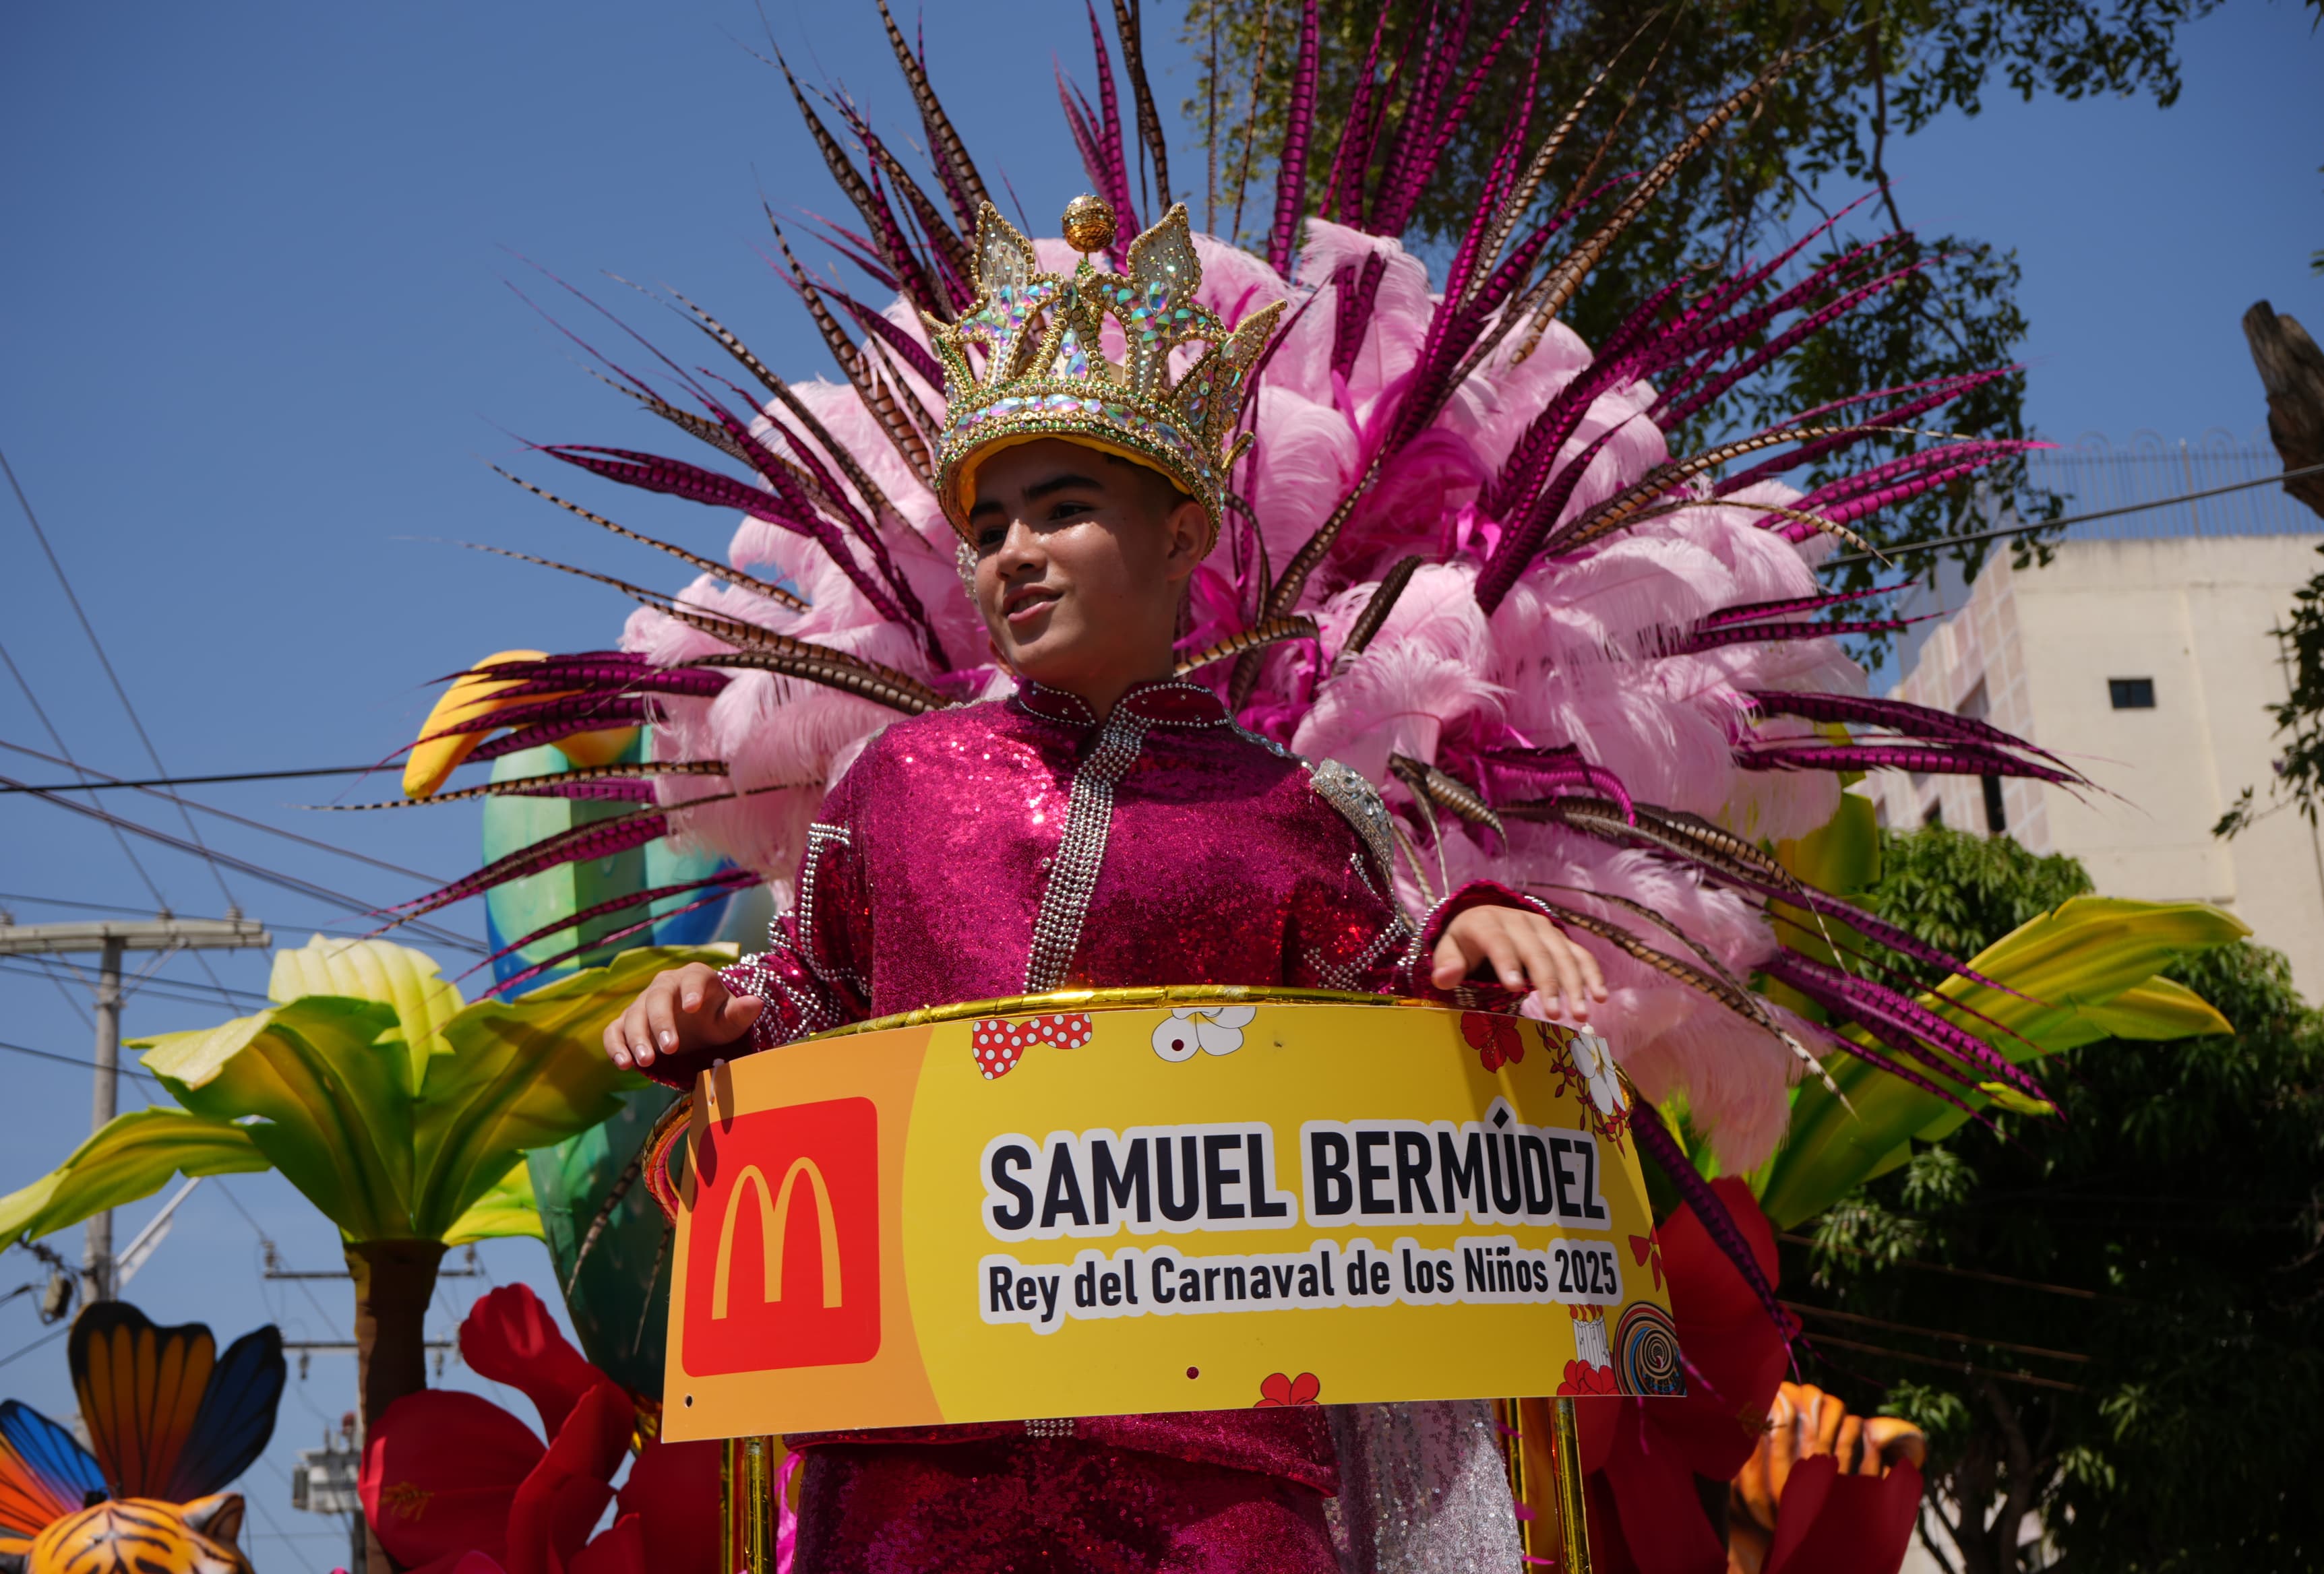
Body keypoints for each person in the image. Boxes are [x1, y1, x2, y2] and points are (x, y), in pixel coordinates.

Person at [598, 200, 1606, 1574]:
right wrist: (709, 1008)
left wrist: (1477, 930)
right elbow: (807, 999)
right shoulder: (894, 788)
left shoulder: (1292, 814)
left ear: (1186, 531)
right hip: (919, 1455)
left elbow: (1388, 1044)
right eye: (991, 521)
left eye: (1064, 509)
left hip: (1219, 1464)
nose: (1013, 549)